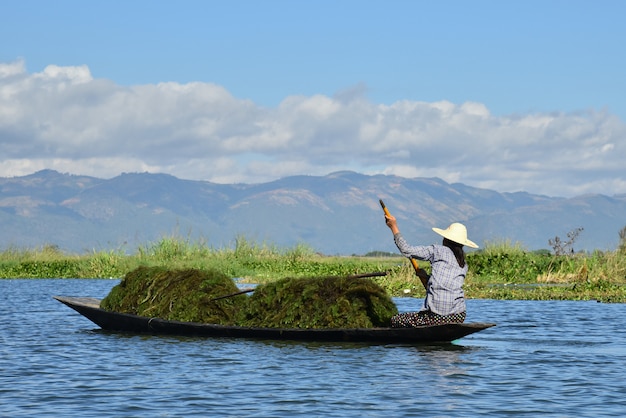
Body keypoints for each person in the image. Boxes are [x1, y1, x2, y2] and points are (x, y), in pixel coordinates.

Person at [384, 214, 479, 327]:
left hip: (436, 316)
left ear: (445, 239)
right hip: (458, 315)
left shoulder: (437, 251)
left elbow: (406, 250)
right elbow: (445, 284)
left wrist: (393, 227)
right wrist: (425, 277)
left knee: (396, 320)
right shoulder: (462, 263)